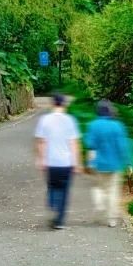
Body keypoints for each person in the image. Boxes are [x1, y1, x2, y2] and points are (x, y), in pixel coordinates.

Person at [33, 94, 81, 229]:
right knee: (65, 191)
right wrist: (76, 163)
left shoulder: (45, 120)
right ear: (64, 105)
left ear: (53, 104)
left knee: (52, 186)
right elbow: (73, 143)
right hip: (66, 162)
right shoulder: (70, 120)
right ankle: (59, 221)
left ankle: (52, 202)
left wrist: (41, 159)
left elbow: (41, 142)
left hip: (51, 162)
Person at [84, 101, 132, 226]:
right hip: (114, 164)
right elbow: (122, 147)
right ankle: (111, 220)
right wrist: (128, 163)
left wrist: (89, 163)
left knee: (98, 187)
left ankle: (99, 203)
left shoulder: (93, 125)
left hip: (98, 164)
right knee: (113, 191)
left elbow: (91, 146)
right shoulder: (117, 126)